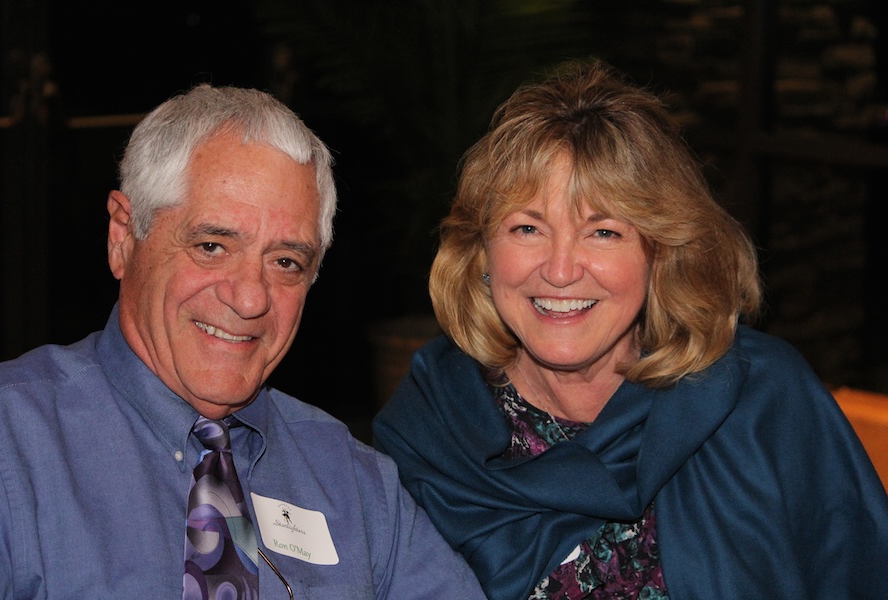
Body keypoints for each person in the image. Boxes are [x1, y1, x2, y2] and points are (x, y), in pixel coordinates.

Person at [372, 61, 888, 600]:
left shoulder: (762, 399)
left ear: (661, 255)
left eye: (603, 232)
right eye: (527, 227)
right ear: (482, 252)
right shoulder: (430, 435)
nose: (561, 270)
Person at [0, 84, 486, 599]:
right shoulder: (4, 446)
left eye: (285, 262)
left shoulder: (355, 485)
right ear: (123, 237)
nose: (250, 298)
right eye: (212, 246)